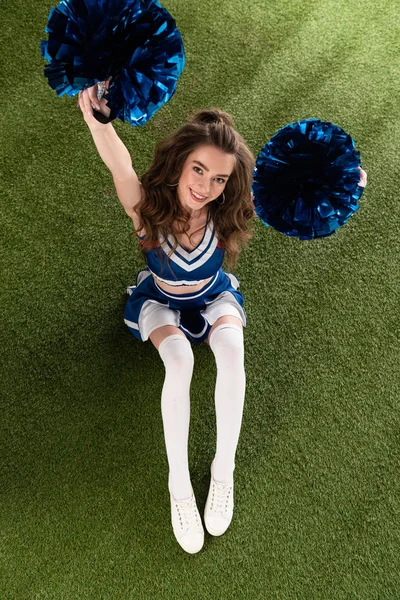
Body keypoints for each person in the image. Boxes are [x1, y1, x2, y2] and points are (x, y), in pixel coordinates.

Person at [78, 84, 368, 555]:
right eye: (199, 169)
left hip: (213, 296)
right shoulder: (145, 209)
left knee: (232, 352)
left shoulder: (228, 209)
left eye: (218, 179)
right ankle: (179, 487)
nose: (205, 186)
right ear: (180, 162)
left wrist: (339, 177)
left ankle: (222, 472)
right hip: (163, 301)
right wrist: (98, 122)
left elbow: (291, 185)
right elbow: (120, 164)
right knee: (179, 361)